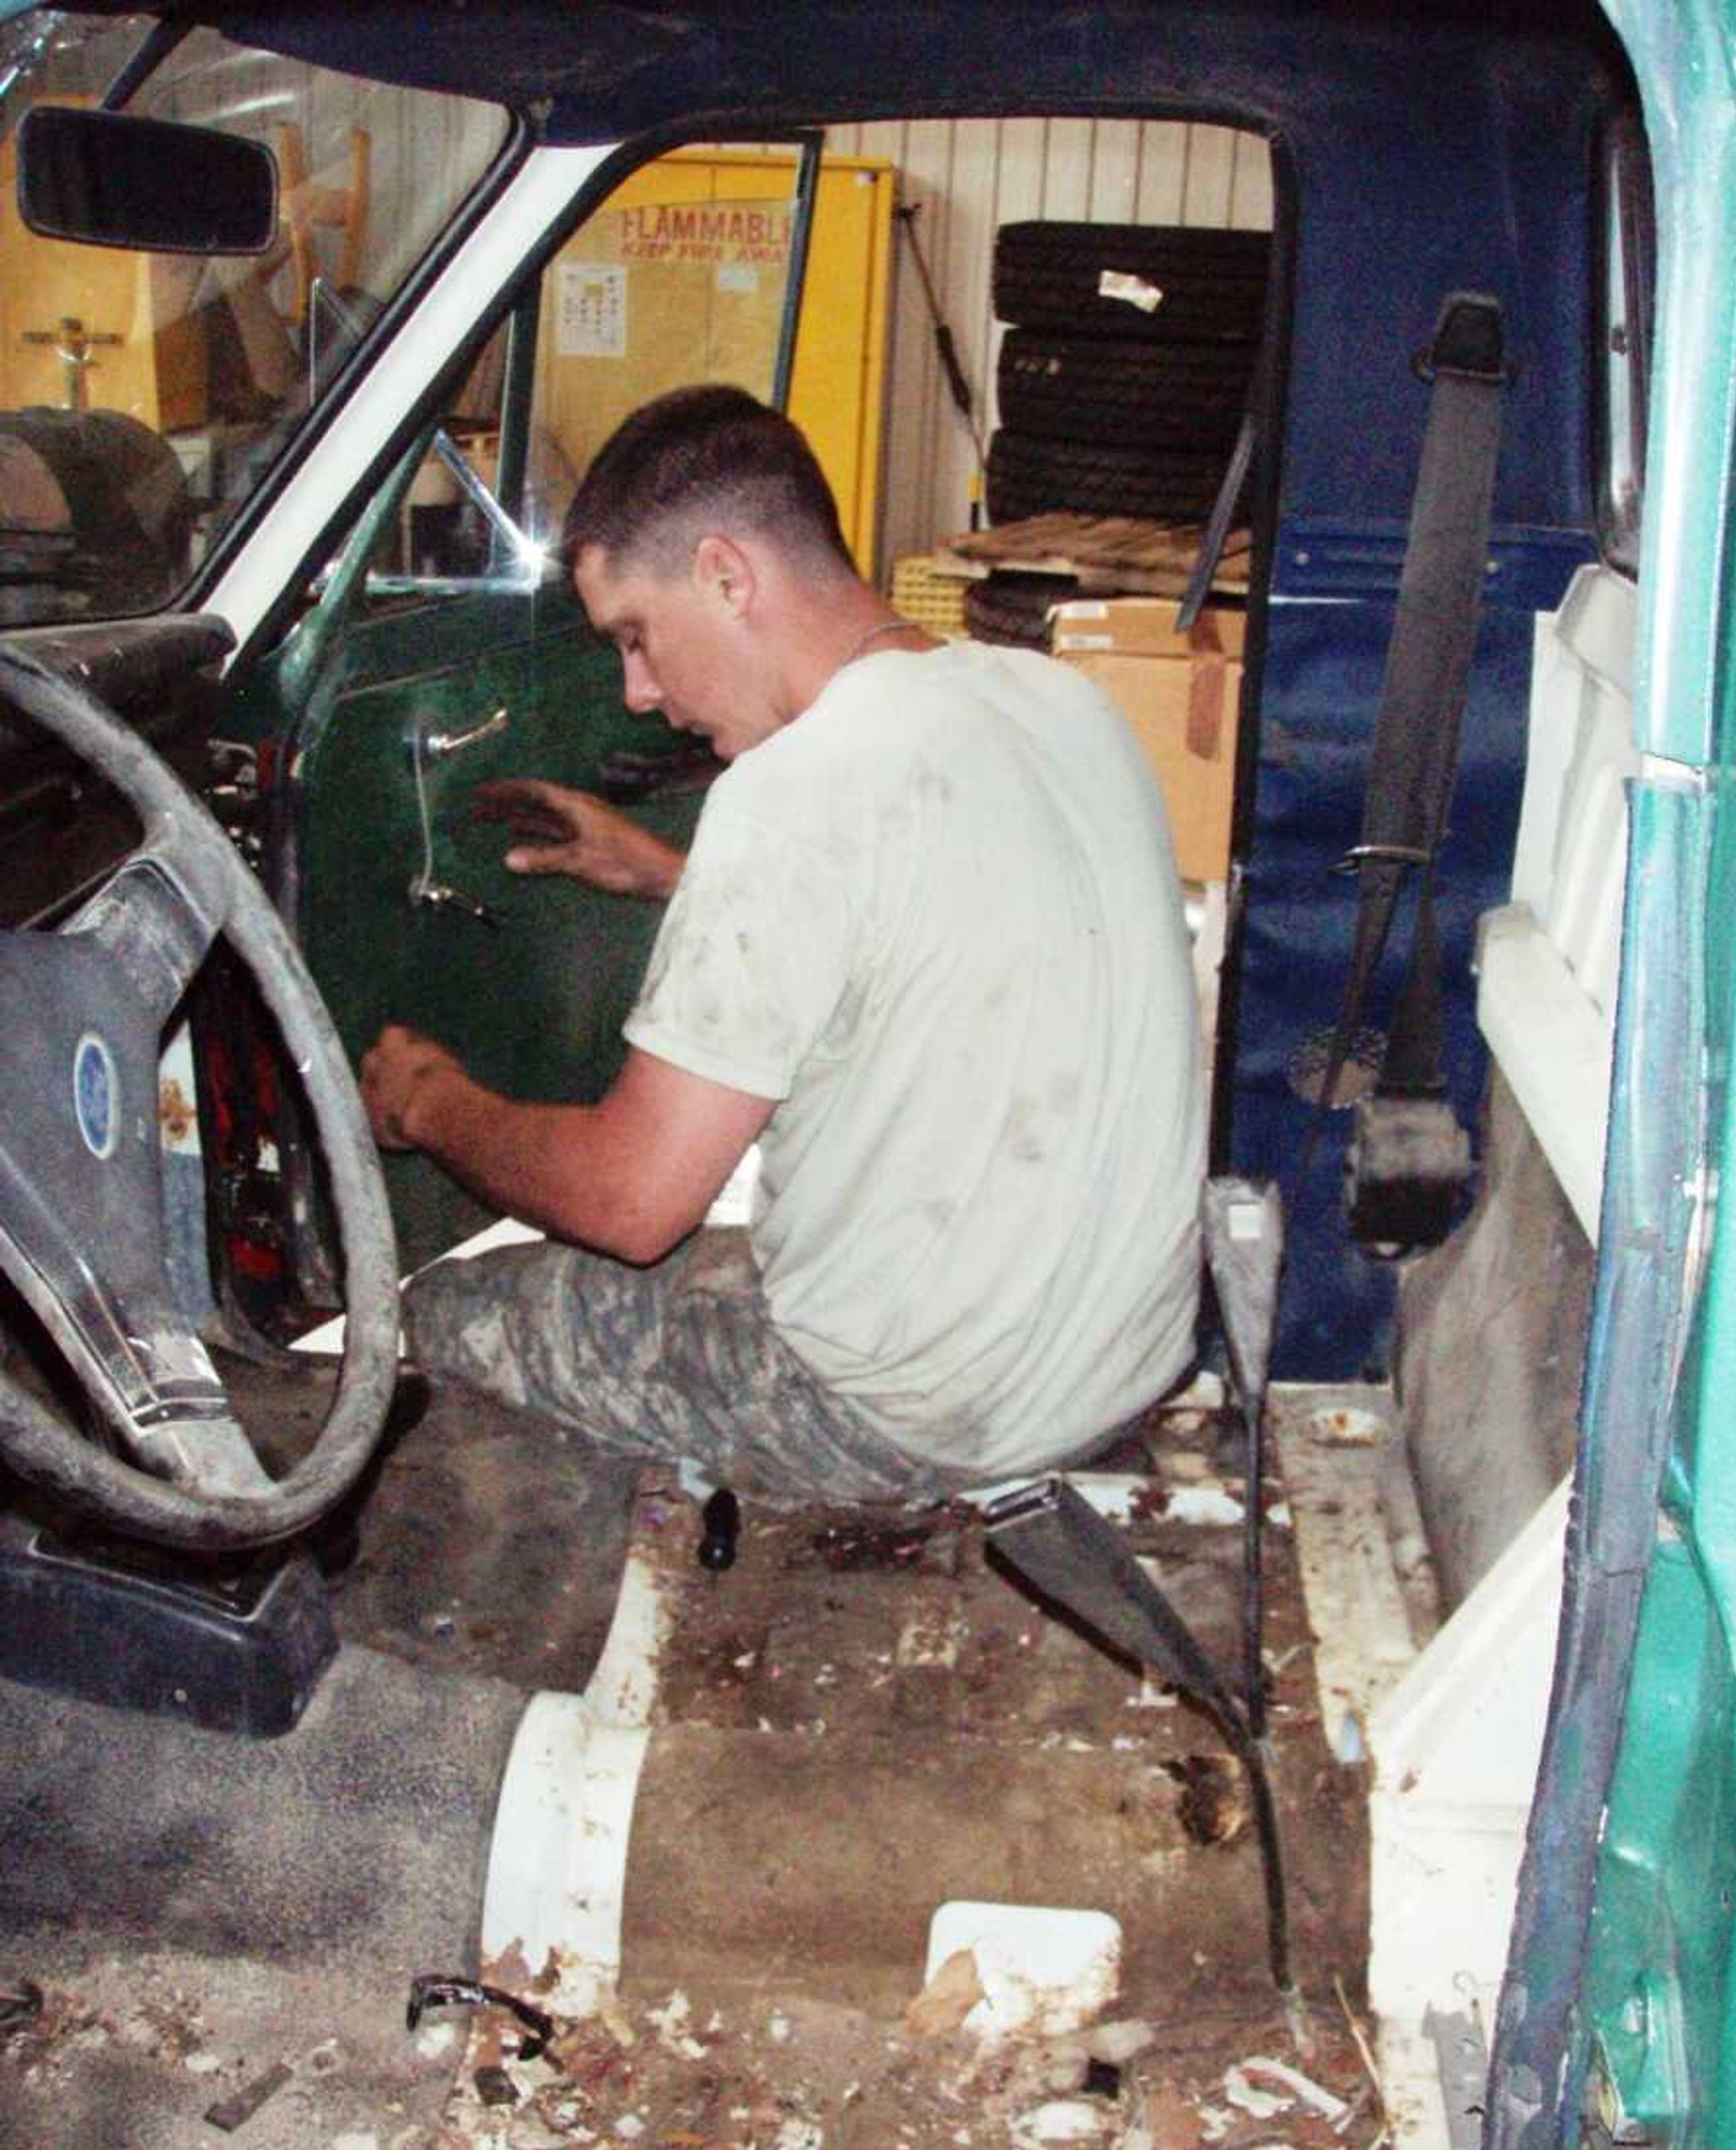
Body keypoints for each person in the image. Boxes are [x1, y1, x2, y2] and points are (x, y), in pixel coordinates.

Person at [362, 383, 1204, 1503]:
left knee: (443, 1316)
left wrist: (430, 1102)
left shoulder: (791, 796)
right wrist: (670, 874)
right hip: (1116, 1371)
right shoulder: (1061, 702)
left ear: (726, 574)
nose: (641, 694)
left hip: (918, 1419)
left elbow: (633, 1201)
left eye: (636, 637)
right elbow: (934, 916)